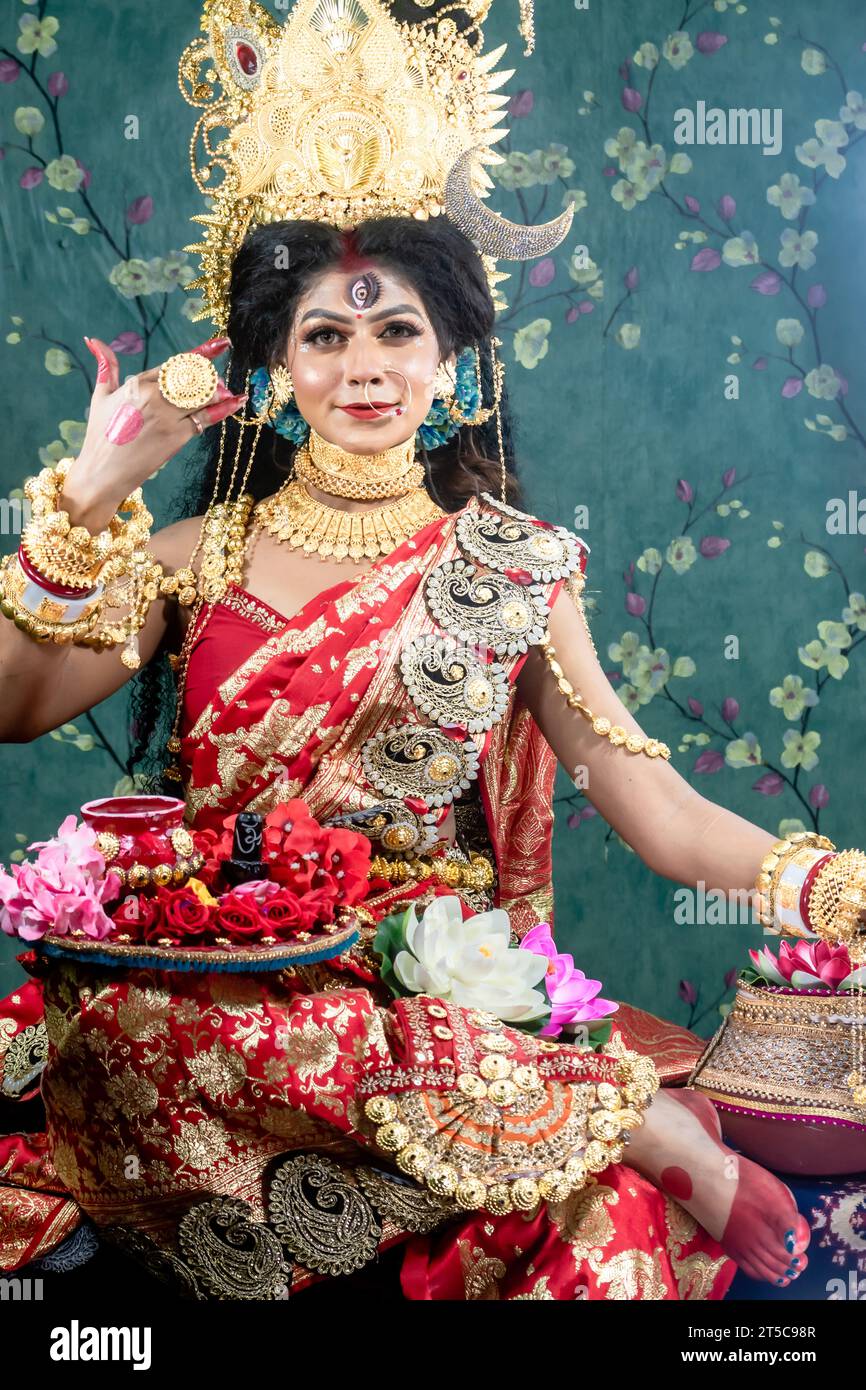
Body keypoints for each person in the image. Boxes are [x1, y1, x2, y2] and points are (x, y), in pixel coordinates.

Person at [4, 0, 853, 1300]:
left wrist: (836, 886)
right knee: (118, 1027)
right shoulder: (196, 560)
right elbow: (17, 706)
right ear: (276, 370)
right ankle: (619, 1114)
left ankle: (618, 1134)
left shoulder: (514, 566)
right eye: (324, 334)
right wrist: (86, 501)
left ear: (453, 361)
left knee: (598, 1244)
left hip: (421, 987)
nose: (362, 365)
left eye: (396, 329)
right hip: (215, 980)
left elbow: (662, 815)